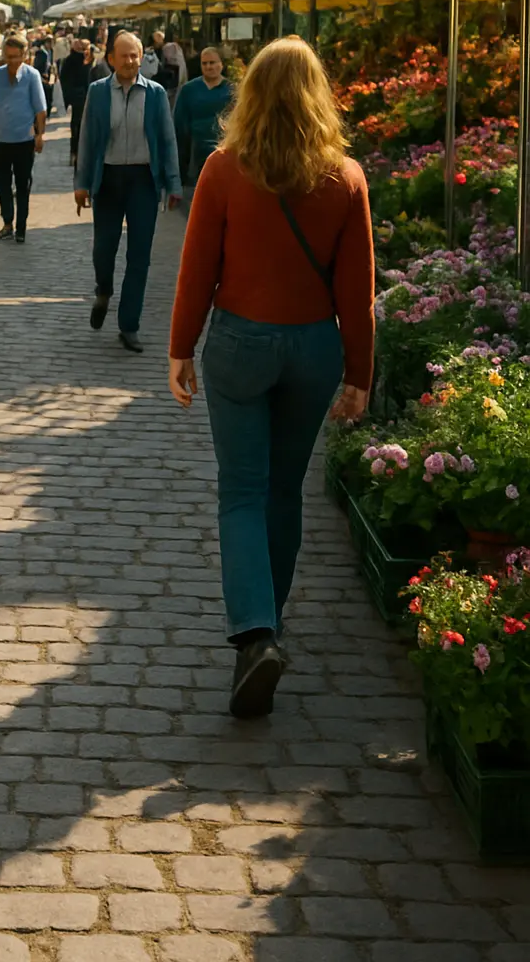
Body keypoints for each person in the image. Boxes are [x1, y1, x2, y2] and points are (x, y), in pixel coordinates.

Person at [167, 37, 375, 721]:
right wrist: (360, 373)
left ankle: (256, 634)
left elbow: (198, 267)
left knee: (242, 491)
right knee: (284, 490)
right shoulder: (345, 177)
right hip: (314, 346)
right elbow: (358, 288)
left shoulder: (225, 168)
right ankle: (270, 627)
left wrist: (180, 348)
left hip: (239, 343)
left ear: (250, 92)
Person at [75, 31, 181, 353]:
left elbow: (167, 139)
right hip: (107, 179)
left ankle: (129, 325)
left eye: (135, 55)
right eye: (124, 55)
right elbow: (88, 138)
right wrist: (81, 183)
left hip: (142, 181)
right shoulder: (98, 92)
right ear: (111, 59)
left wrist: (173, 183)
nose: (130, 61)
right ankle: (103, 290)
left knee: (140, 256)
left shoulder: (156, 94)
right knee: (103, 249)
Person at [0, 34, 47, 243]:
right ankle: (7, 222)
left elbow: (40, 109)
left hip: (23, 139)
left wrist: (39, 135)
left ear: (25, 55)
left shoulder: (32, 75)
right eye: (8, 56)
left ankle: (21, 227)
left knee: (22, 184)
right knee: (2, 183)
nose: (12, 61)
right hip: (0, 140)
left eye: (16, 57)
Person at [174, 46, 234, 188]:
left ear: (221, 64)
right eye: (204, 63)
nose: (208, 67)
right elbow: (179, 124)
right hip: (196, 154)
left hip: (224, 153)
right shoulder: (189, 89)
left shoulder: (232, 90)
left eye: (212, 62)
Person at [59, 35, 91, 166]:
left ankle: (75, 153)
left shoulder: (68, 60)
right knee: (83, 127)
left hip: (77, 97)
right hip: (84, 96)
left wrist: (68, 98)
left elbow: (64, 80)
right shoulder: (85, 61)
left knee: (76, 126)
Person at [33, 34, 56, 116]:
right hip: (42, 77)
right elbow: (37, 66)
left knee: (50, 95)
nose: (50, 45)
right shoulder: (41, 53)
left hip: (50, 75)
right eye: (49, 42)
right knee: (44, 95)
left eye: (52, 42)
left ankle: (48, 112)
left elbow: (51, 62)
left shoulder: (51, 51)